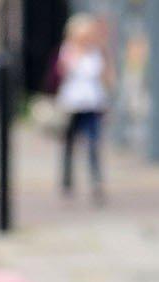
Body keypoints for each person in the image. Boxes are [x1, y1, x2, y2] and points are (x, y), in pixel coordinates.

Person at [53, 15, 112, 204]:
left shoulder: (97, 52)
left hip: (93, 103)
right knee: (69, 145)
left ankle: (96, 182)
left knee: (93, 144)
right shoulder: (68, 50)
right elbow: (63, 71)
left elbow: (106, 77)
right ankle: (67, 182)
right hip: (72, 103)